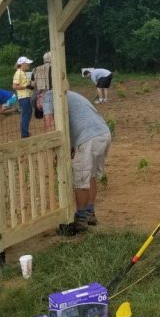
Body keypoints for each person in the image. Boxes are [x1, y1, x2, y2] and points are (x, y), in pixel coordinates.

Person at [34, 89, 111, 232]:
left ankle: (80, 220)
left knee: (80, 179)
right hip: (102, 133)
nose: (41, 109)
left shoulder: (49, 95)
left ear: (39, 97)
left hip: (89, 138)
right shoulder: (66, 95)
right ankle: (89, 213)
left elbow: (49, 122)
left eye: (39, 107)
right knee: (90, 176)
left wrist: (54, 149)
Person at [13, 56, 34, 138]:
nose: (29, 64)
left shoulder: (23, 73)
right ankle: (24, 134)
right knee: (26, 115)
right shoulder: (18, 73)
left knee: (28, 114)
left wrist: (30, 86)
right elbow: (14, 86)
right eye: (27, 63)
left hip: (26, 97)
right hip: (23, 97)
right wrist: (26, 86)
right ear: (22, 64)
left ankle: (25, 132)